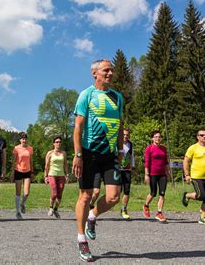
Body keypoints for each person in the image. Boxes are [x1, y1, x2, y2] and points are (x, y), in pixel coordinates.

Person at [72, 59, 123, 262]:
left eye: (111, 70)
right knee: (85, 196)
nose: (110, 73)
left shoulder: (117, 97)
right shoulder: (87, 95)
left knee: (113, 197)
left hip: (110, 154)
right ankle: (81, 238)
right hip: (89, 153)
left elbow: (120, 125)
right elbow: (78, 127)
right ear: (95, 73)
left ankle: (92, 216)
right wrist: (77, 155)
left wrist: (120, 150)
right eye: (106, 70)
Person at [182, 128, 205, 225]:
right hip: (196, 177)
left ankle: (203, 218)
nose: (204, 137)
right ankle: (187, 195)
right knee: (202, 195)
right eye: (202, 135)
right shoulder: (193, 148)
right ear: (198, 137)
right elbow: (186, 161)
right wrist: (187, 175)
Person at [143, 130, 169, 223]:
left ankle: (159, 213)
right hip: (153, 174)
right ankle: (146, 205)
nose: (158, 138)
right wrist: (146, 175)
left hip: (162, 174)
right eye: (156, 137)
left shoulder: (163, 148)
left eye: (159, 137)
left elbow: (165, 161)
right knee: (153, 193)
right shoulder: (149, 148)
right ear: (152, 138)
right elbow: (147, 162)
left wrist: (168, 172)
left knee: (162, 193)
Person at [11, 131, 34, 220]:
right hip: (18, 171)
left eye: (25, 138)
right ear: (20, 140)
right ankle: (17, 212)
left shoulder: (30, 149)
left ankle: (22, 204)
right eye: (22, 139)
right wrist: (12, 172)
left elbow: (31, 161)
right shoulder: (16, 148)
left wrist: (32, 172)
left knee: (26, 193)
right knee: (18, 193)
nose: (24, 140)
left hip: (27, 171)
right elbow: (13, 161)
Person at [44, 135, 68, 219]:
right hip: (52, 174)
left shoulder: (63, 153)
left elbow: (65, 165)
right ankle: (50, 208)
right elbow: (46, 166)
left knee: (60, 194)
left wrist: (67, 175)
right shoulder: (50, 153)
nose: (58, 143)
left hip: (61, 175)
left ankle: (56, 209)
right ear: (54, 143)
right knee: (54, 192)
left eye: (60, 142)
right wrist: (45, 176)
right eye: (57, 142)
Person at [119, 128, 135, 219]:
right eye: (124, 134)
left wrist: (132, 167)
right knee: (117, 193)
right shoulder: (117, 143)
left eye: (127, 135)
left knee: (127, 191)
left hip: (127, 170)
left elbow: (132, 156)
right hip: (117, 170)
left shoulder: (131, 144)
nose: (125, 136)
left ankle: (124, 209)